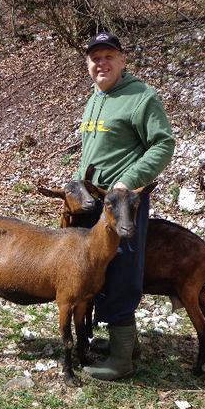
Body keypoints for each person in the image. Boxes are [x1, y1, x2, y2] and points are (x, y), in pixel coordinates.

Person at [74, 32, 175, 380]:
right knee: (98, 268)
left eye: (108, 57)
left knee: (121, 269)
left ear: (122, 61)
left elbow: (162, 145)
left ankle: (121, 361)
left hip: (123, 203)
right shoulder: (95, 98)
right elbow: (92, 152)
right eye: (94, 58)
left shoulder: (141, 97)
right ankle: (125, 343)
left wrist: (128, 181)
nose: (101, 63)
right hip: (94, 202)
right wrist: (77, 183)